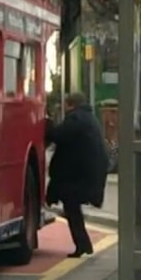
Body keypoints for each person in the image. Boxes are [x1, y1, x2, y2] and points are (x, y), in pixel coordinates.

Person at [45, 92, 109, 258]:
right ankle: (83, 245)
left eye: (65, 104)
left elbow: (57, 135)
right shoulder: (88, 118)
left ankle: (82, 245)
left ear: (70, 104)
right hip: (86, 173)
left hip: (80, 176)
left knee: (71, 208)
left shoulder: (76, 119)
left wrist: (48, 123)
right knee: (72, 209)